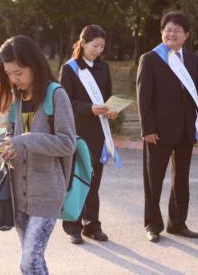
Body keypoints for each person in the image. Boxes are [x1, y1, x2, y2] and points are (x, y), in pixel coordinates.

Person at [0, 35, 76, 274]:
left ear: (35, 65)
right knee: (34, 259)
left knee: (29, 261)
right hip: (18, 196)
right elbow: (13, 138)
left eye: (18, 72)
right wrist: (0, 147)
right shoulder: (17, 100)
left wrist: (27, 140)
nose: (14, 79)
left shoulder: (56, 94)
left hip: (47, 194)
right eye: (9, 73)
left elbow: (67, 143)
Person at [137, 11, 198, 243]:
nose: (172, 33)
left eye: (177, 29)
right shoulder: (151, 58)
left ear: (186, 35)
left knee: (181, 178)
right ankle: (152, 224)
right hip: (158, 131)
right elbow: (143, 97)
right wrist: (147, 128)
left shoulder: (192, 59)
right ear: (161, 32)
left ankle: (177, 223)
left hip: (186, 130)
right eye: (168, 28)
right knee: (153, 179)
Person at [60, 25, 118, 245]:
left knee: (94, 180)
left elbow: (109, 95)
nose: (98, 50)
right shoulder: (70, 69)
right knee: (76, 178)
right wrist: (89, 108)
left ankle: (92, 224)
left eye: (102, 47)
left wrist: (113, 109)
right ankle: (72, 225)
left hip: (98, 131)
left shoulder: (104, 68)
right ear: (83, 42)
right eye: (95, 45)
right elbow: (65, 102)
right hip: (77, 129)